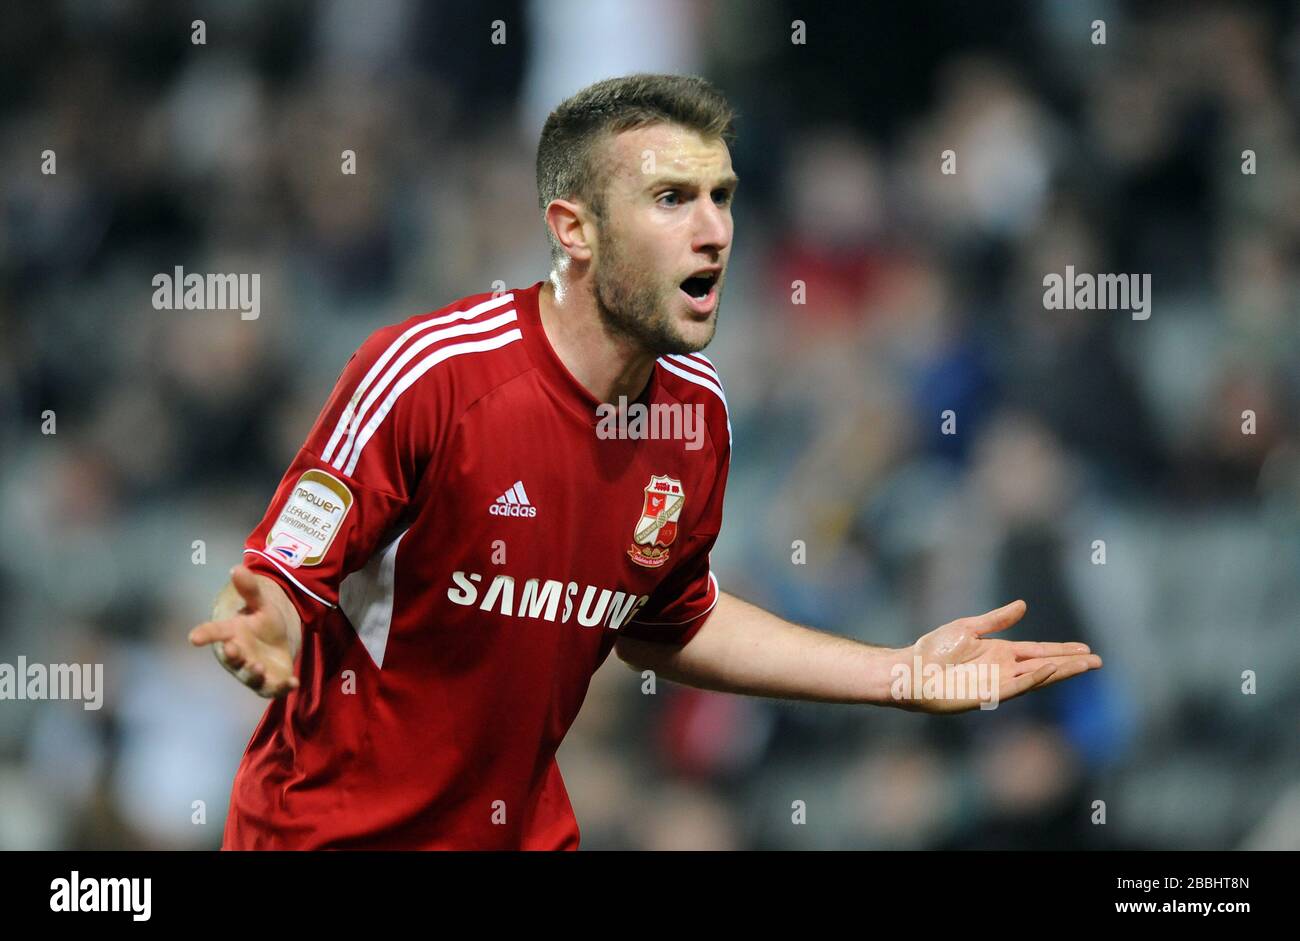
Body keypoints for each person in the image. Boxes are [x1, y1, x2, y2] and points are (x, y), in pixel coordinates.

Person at [188, 73, 1102, 850]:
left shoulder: (695, 416)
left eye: (723, 197)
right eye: (672, 199)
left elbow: (669, 620)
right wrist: (266, 620)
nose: (714, 231)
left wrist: (898, 674)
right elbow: (281, 572)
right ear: (574, 229)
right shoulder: (432, 374)